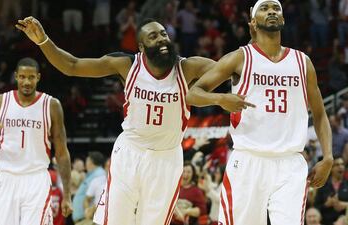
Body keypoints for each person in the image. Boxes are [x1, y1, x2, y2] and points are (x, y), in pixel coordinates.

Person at [15, 16, 253, 225]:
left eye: (163, 34)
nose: (161, 39)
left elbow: (232, 70)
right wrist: (43, 41)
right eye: (153, 36)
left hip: (166, 157)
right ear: (141, 46)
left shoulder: (188, 67)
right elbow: (72, 65)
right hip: (130, 152)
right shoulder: (126, 65)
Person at [186, 0, 333, 224]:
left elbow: (320, 114)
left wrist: (329, 157)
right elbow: (192, 93)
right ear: (253, 22)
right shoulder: (240, 58)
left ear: (283, 20)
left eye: (276, 9)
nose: (272, 11)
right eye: (264, 9)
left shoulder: (303, 63)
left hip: (290, 164)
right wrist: (220, 99)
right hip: (248, 161)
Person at [0, 57, 73, 225]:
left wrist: (67, 195)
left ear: (38, 77)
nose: (27, 81)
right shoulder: (0, 102)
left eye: (31, 77)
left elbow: (62, 152)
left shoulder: (51, 105)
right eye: (23, 77)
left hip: (36, 178)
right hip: (7, 178)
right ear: (16, 76)